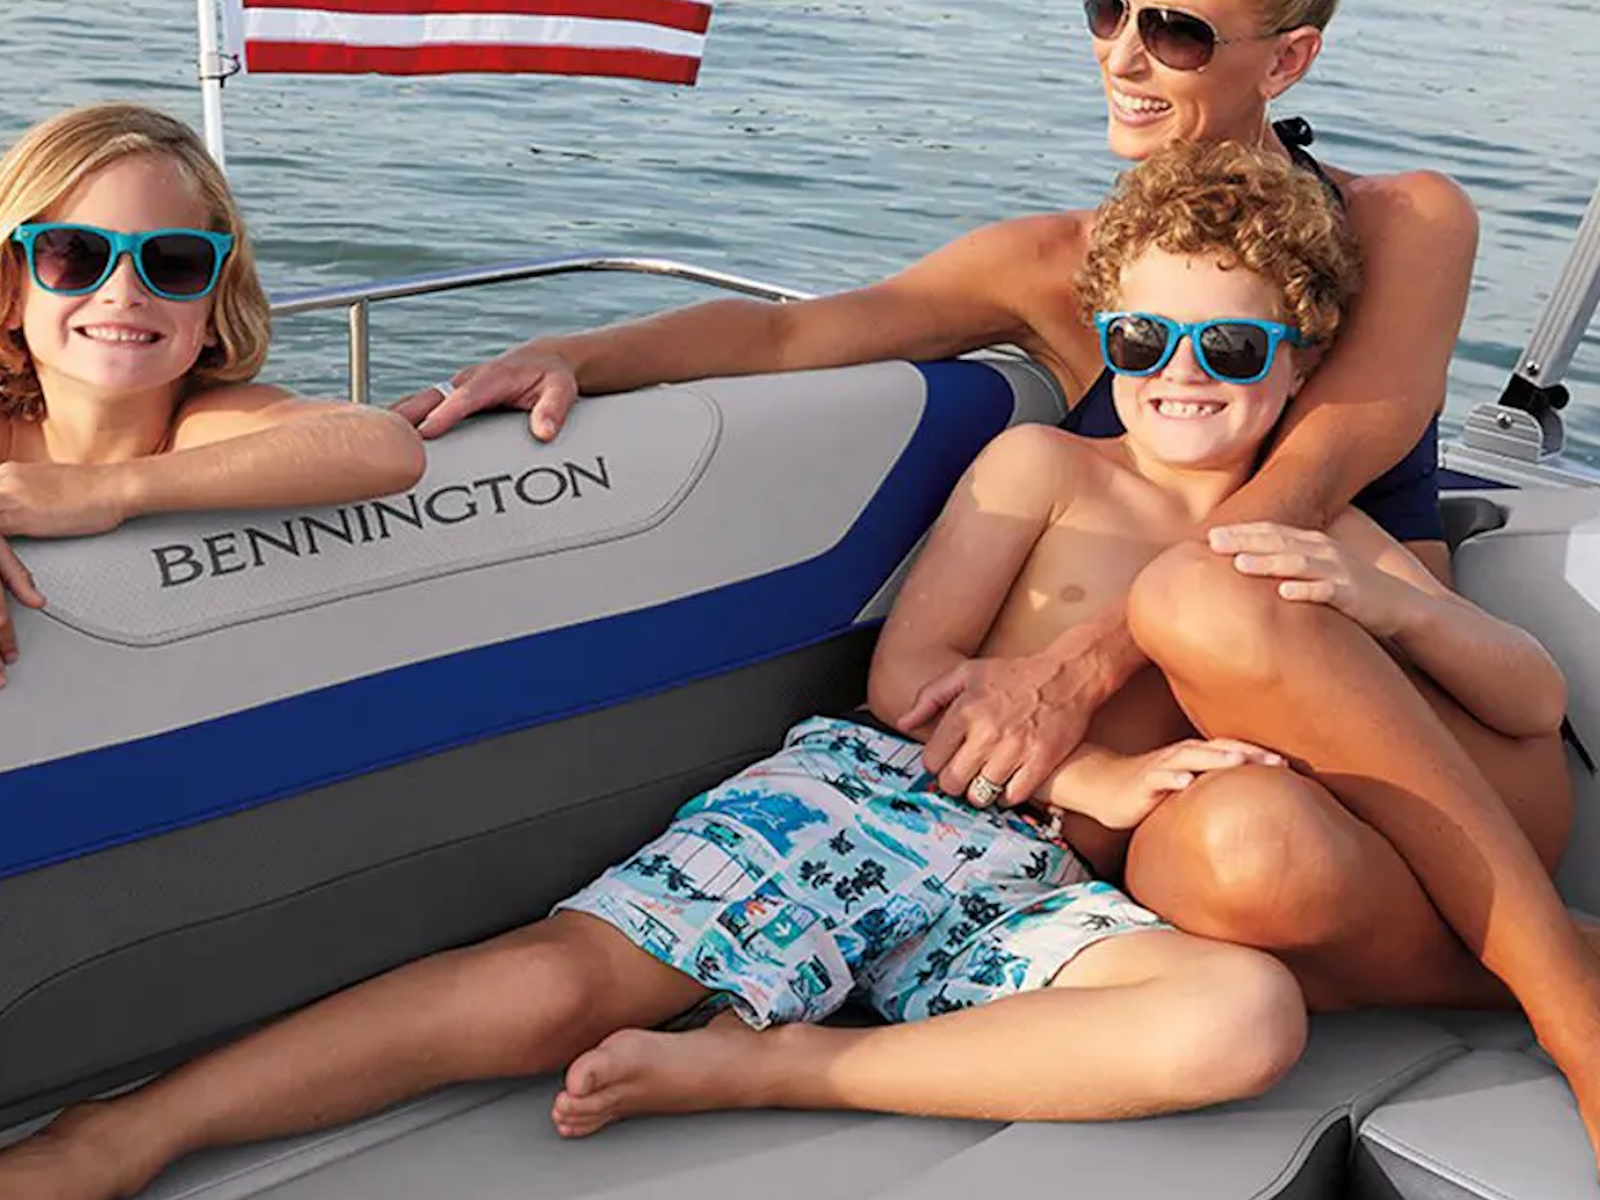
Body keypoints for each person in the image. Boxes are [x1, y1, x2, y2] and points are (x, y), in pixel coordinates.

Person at [0, 137, 1362, 1200]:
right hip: (875, 806)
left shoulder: (1327, 545)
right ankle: (133, 1132)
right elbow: (908, 681)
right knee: (556, 988)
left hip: (1042, 886)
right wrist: (1098, 774)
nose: (1180, 373)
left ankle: (784, 1070)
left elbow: (1447, 704)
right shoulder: (1045, 466)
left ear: (1301, 366)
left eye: (1232, 347)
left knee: (1240, 1017)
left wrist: (1391, 621)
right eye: (1140, 341)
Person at [392, 0, 1600, 1165]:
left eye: (1175, 29)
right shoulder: (1062, 265)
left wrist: (1084, 665)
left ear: (1285, 60)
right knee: (1239, 854)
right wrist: (575, 353)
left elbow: (1299, 486)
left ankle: (1569, 1009)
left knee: (1203, 596)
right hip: (1238, 796)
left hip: (1432, 749)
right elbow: (791, 336)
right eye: (1107, 10)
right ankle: (1537, 966)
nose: (1124, 54)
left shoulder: (1404, 222)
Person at [0, 101, 426, 684]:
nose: (124, 292)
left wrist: (105, 490)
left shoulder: (200, 424)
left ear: (212, 306)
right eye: (76, 253)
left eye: (173, 261)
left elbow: (384, 444)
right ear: (12, 289)